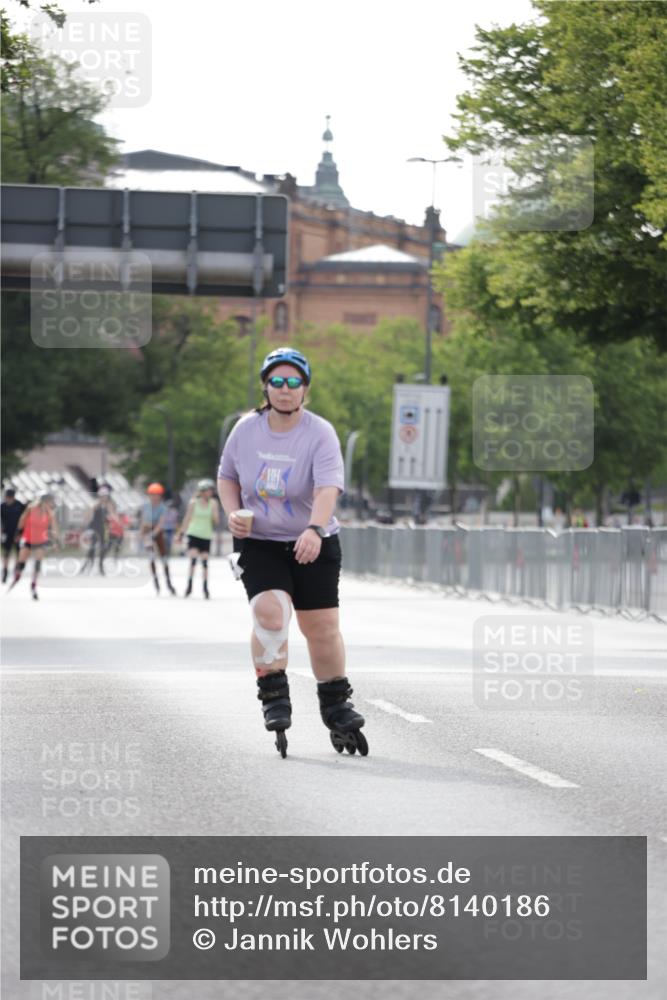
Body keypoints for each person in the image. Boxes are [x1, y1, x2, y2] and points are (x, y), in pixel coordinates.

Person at [218, 346, 368, 758]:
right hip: (260, 542)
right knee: (269, 612)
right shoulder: (246, 430)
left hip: (313, 539)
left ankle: (337, 705)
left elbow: (327, 488)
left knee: (320, 629)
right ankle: (274, 696)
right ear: (266, 387)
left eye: (293, 383)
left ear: (305, 388)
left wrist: (315, 529)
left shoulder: (320, 432)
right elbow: (227, 476)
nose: (285, 390)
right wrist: (233, 514)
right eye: (277, 382)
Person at [8, 491, 60, 599]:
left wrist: (55, 541)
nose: (50, 504)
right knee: (21, 562)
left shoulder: (50, 513)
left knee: (37, 563)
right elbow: (22, 519)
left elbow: (54, 527)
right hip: (28, 539)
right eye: (48, 501)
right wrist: (18, 532)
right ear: (43, 501)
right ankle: (17, 576)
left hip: (40, 540)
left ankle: (33, 585)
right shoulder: (31, 508)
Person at [176, 479, 220, 599]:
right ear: (202, 492)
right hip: (194, 533)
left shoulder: (213, 503)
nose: (210, 493)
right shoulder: (193, 503)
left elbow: (216, 521)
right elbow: (187, 518)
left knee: (205, 563)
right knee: (194, 560)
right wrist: (181, 533)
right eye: (208, 490)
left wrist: (215, 515)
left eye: (211, 490)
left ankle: (205, 588)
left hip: (206, 535)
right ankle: (189, 586)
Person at [140, 482, 176, 595]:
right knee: (151, 557)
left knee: (163, 557)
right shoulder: (146, 506)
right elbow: (144, 520)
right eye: (152, 494)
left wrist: (154, 533)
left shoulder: (162, 507)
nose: (154, 497)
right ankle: (156, 581)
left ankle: (168, 582)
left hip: (158, 531)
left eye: (156, 495)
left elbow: (161, 522)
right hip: (147, 528)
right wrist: (143, 534)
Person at [79, 485, 114, 575]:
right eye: (102, 496)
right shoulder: (96, 504)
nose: (104, 498)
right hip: (94, 527)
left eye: (105, 496)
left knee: (104, 547)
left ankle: (100, 565)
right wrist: (84, 524)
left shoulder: (108, 505)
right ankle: (87, 565)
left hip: (103, 528)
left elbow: (112, 515)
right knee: (92, 547)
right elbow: (88, 514)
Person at [1, 488, 25, 583]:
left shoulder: (19, 506)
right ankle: (5, 571)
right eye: (7, 497)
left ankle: (16, 570)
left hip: (18, 533)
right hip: (6, 533)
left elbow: (23, 520)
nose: (8, 499)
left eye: (10, 497)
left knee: (18, 553)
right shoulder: (2, 506)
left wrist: (20, 533)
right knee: (6, 553)